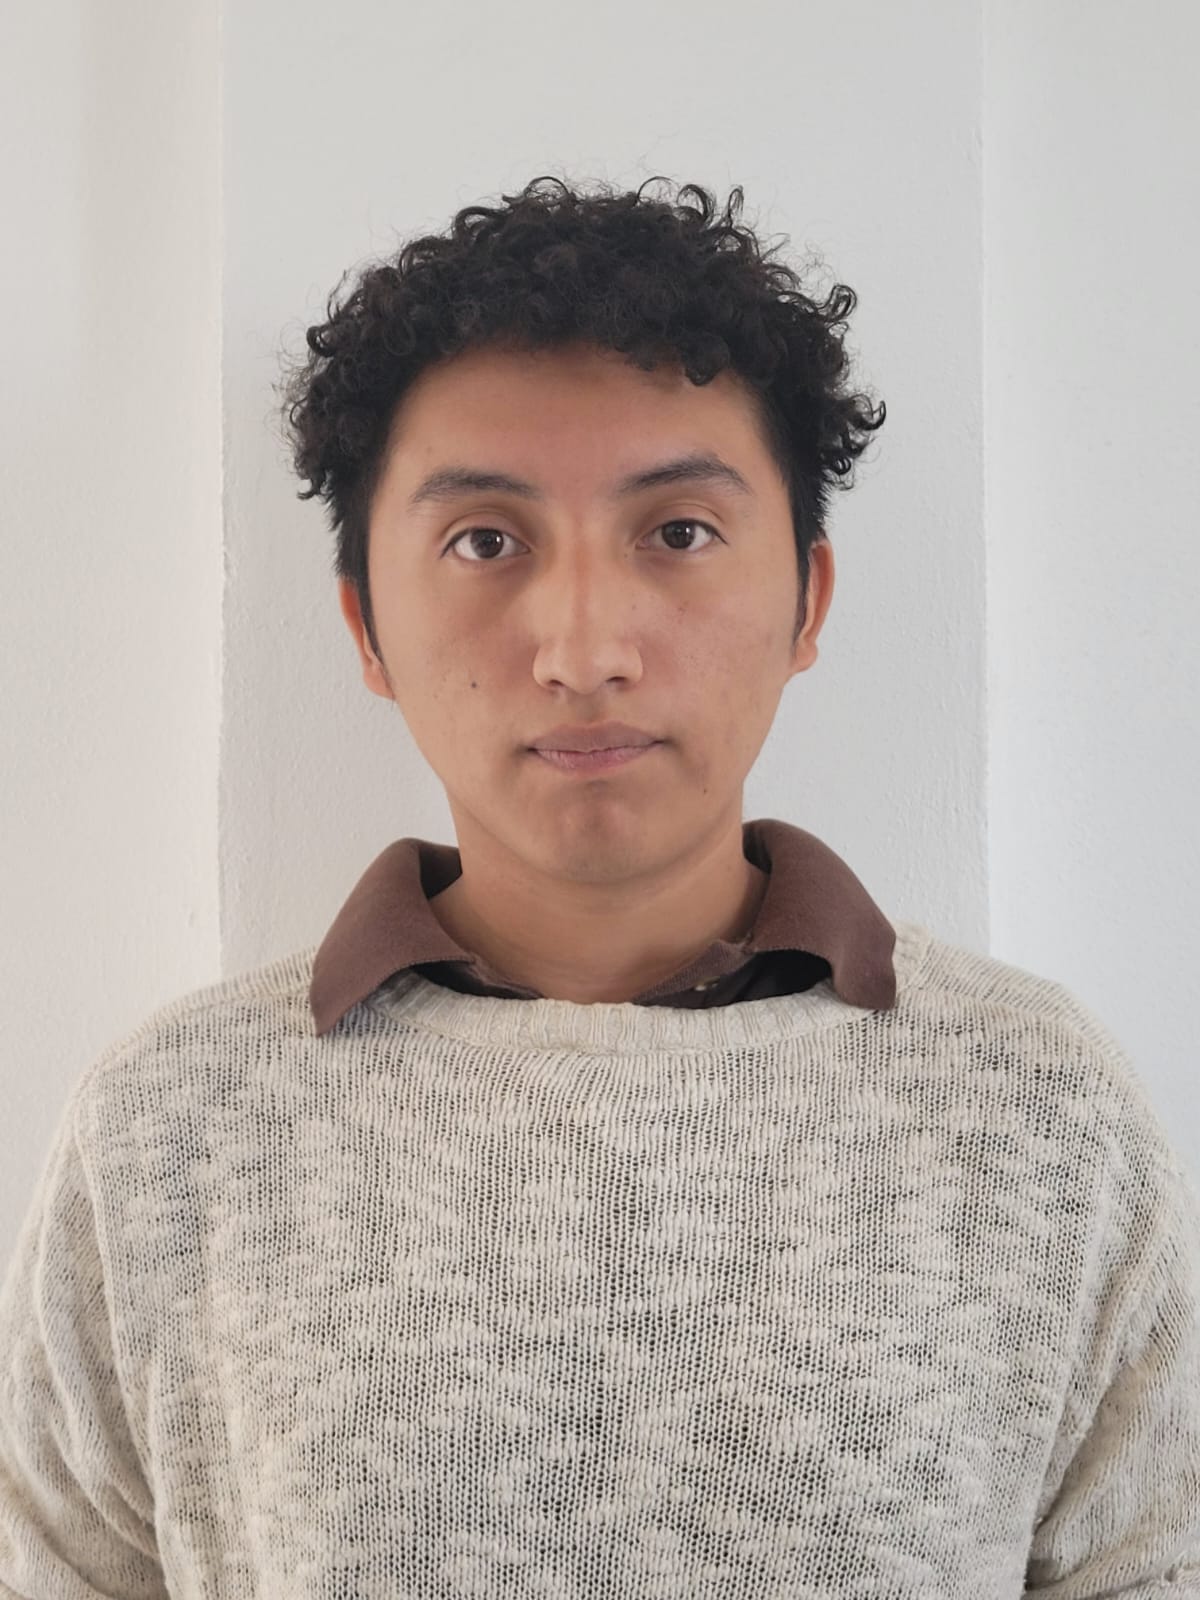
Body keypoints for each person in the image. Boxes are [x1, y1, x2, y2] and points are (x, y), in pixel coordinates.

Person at [1, 174, 1197, 1598]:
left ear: (807, 600)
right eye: (484, 542)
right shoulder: (169, 1130)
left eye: (678, 532)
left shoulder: (1037, 1108)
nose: (584, 651)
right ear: (366, 627)